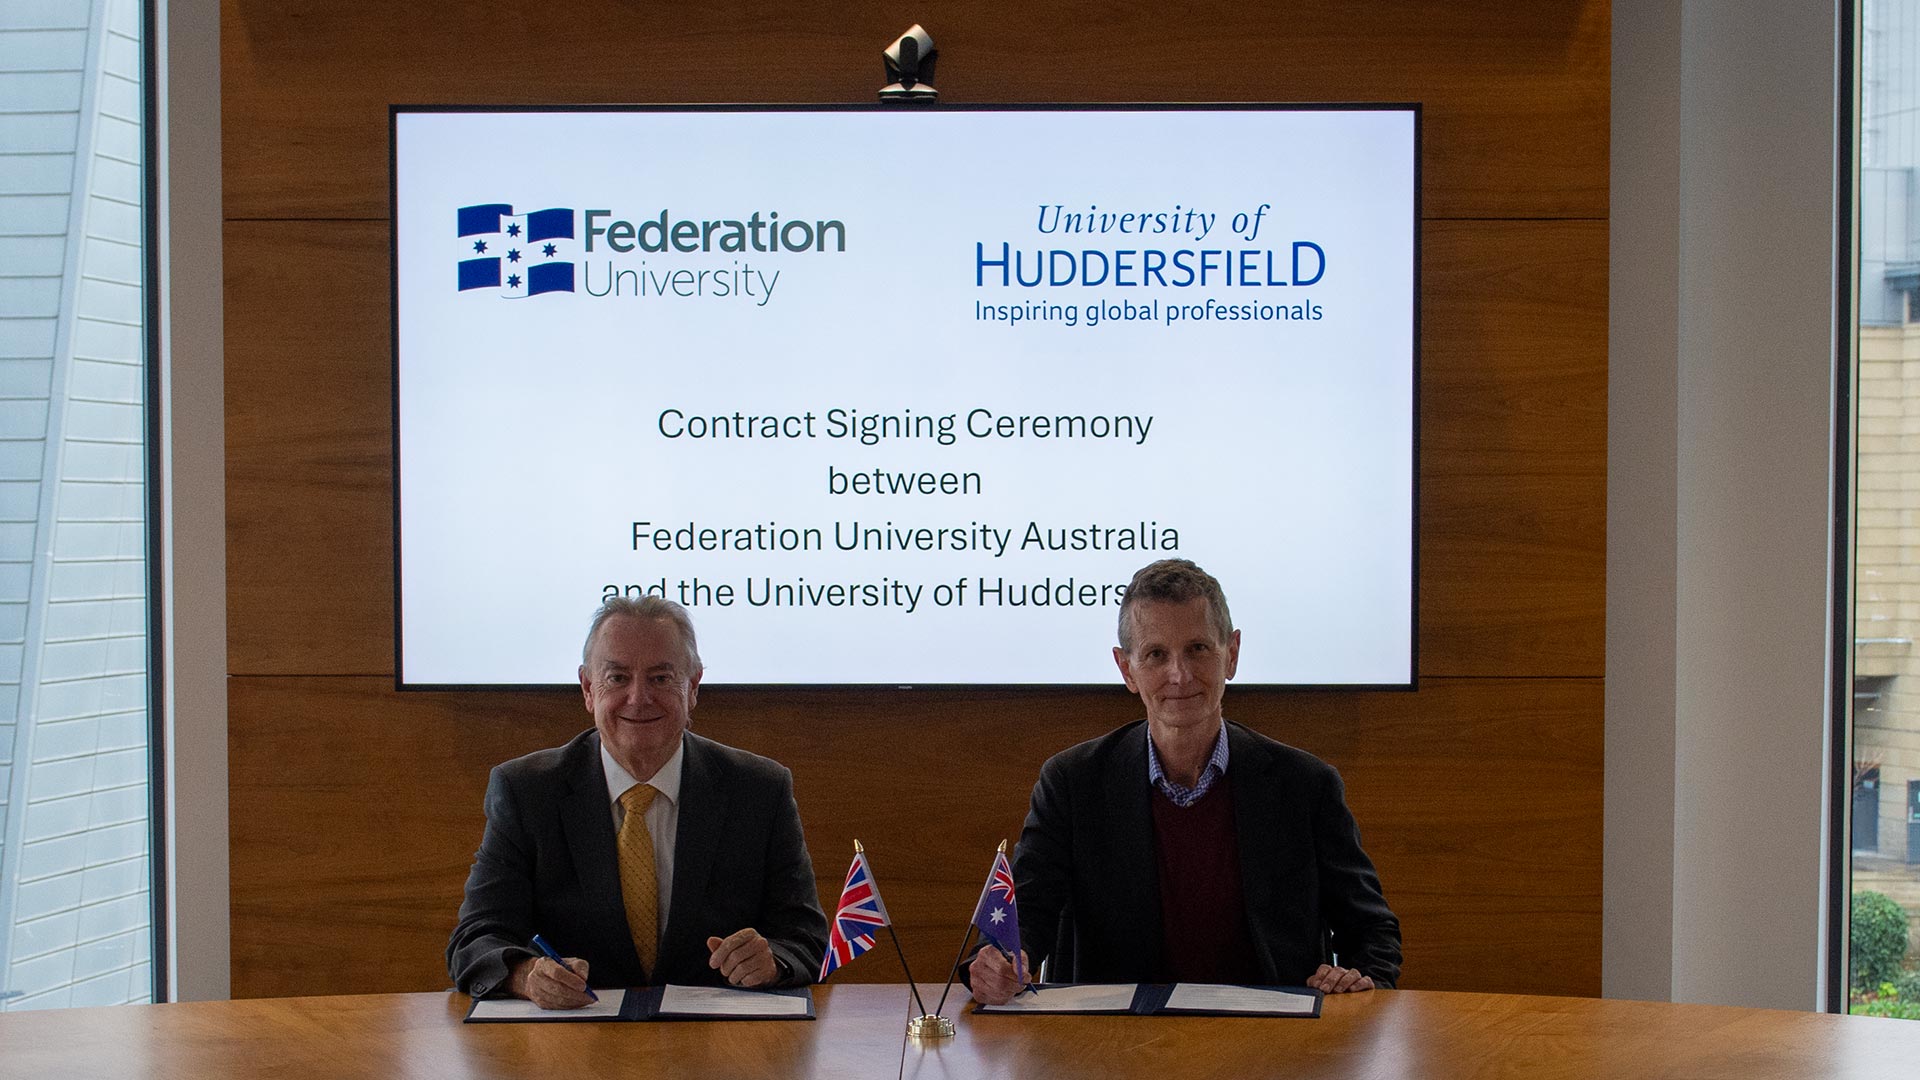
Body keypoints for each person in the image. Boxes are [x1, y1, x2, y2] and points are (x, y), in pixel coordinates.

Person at [969, 559, 1401, 1003]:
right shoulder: (1073, 784)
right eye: (1156, 654)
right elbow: (1023, 922)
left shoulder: (1306, 786)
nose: (1180, 674)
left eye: (1197, 649)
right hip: (1111, 1047)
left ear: (1231, 654)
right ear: (1127, 670)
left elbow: (1372, 932)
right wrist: (1000, 965)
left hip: (1274, 1044)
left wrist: (1358, 979)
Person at [447, 596, 828, 1007]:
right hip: (572, 1047)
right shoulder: (526, 791)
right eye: (617, 678)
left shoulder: (758, 789)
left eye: (662, 678)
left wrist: (774, 962)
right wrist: (527, 976)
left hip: (719, 1043)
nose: (638, 697)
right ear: (589, 689)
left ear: (694, 686)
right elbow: (475, 939)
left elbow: (805, 937)